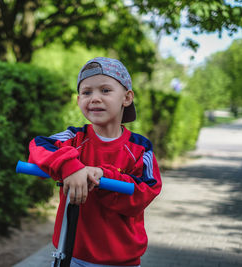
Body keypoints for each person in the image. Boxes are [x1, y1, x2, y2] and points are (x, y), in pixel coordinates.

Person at [28, 57, 162, 266]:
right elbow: (38, 146)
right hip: (70, 254)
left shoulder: (139, 148)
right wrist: (69, 166)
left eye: (105, 90)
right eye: (86, 92)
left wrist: (102, 175)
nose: (95, 98)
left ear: (126, 98)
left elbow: (146, 190)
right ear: (78, 99)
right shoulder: (74, 139)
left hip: (120, 259)